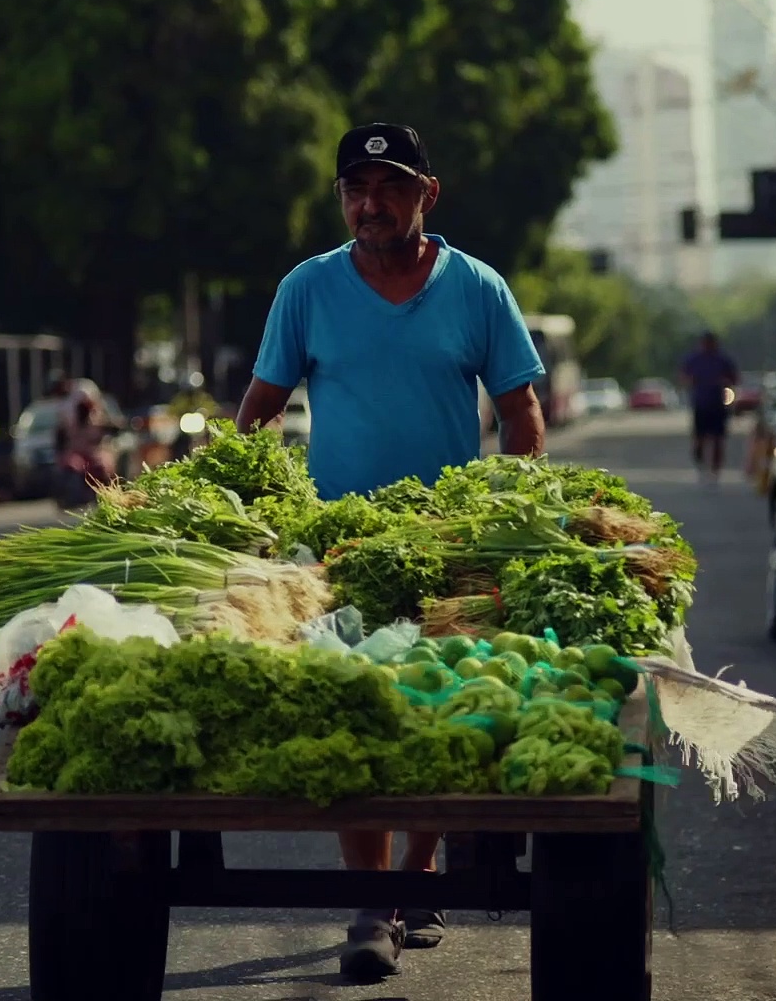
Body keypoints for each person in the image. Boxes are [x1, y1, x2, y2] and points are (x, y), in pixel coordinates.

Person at [234, 122, 545, 981]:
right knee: (354, 708)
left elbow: (522, 418)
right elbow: (257, 409)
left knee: (437, 707)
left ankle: (411, 878)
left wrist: (494, 518)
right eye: (355, 189)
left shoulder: (479, 289)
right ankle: (373, 897)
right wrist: (255, 507)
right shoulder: (308, 289)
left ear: (426, 195)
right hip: (339, 546)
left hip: (446, 545)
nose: (371, 203)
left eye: (390, 186)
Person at [679, 331, 739, 484]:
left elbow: (734, 377)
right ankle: (701, 463)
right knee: (700, 438)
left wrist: (725, 382)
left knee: (718, 439)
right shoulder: (694, 359)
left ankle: (715, 470)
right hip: (701, 403)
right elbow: (683, 375)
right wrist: (691, 381)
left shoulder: (722, 360)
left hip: (718, 403)